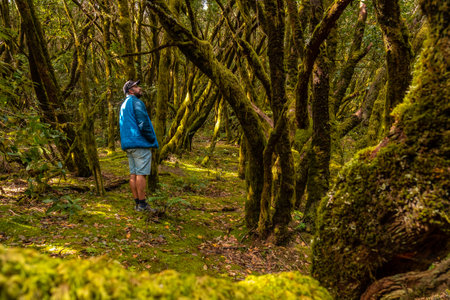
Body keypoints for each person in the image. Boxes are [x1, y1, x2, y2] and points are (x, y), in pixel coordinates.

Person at [119, 80, 159, 211]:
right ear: (130, 91)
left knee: (133, 174)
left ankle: (137, 203)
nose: (139, 88)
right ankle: (142, 204)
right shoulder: (136, 102)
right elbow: (143, 123)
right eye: (136, 87)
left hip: (128, 144)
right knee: (141, 174)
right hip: (139, 143)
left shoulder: (123, 105)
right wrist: (152, 138)